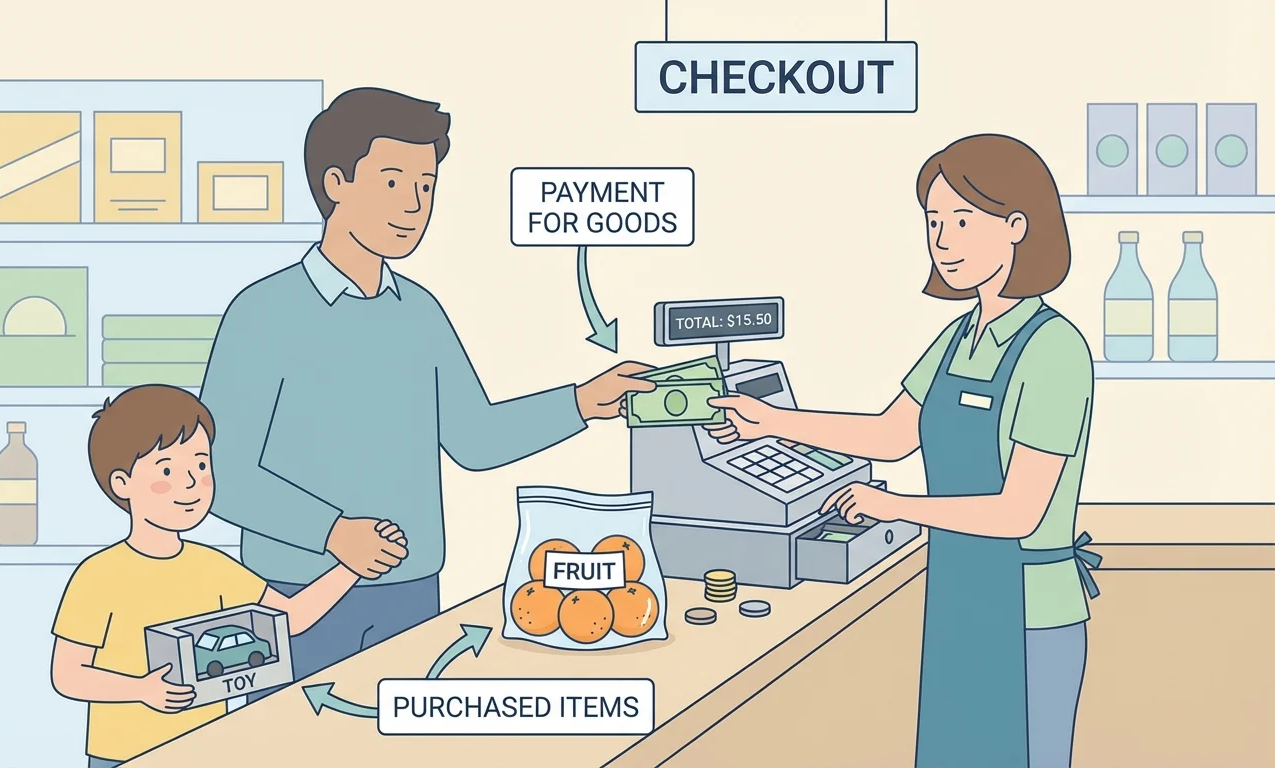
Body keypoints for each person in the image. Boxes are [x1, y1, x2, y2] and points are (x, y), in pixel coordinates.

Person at [200, 87, 654, 699]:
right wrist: (333, 532)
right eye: (392, 182)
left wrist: (579, 402)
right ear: (336, 182)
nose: (414, 205)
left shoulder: (419, 313)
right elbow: (220, 474)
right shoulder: (262, 314)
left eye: (426, 185)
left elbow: (474, 437)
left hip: (411, 592)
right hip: (291, 594)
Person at [706, 134, 1101, 768]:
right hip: (959, 595)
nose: (943, 240)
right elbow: (892, 435)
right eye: (934, 221)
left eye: (963, 221)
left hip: (1030, 614)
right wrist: (771, 422)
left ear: (1017, 227)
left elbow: (1018, 513)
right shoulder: (956, 338)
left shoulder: (1054, 351)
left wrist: (895, 506)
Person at [49, 385, 392, 768]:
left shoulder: (214, 568)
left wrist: (352, 568)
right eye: (167, 470)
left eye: (199, 464)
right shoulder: (99, 576)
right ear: (122, 484)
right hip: (122, 755)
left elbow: (290, 619)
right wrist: (141, 690)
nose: (191, 482)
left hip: (206, 750)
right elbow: (67, 675)